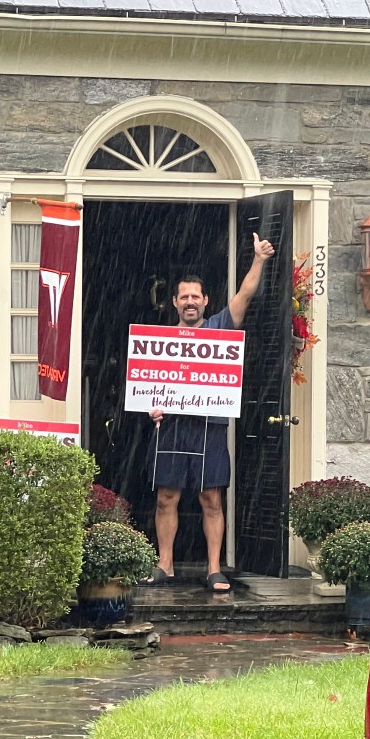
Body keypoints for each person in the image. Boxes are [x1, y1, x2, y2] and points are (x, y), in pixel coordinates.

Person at [143, 232, 275, 593]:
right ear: (175, 302)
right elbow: (148, 387)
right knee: (165, 497)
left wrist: (259, 259)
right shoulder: (160, 342)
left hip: (210, 428)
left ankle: (214, 569)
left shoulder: (221, 326)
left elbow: (244, 294)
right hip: (171, 427)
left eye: (195, 297)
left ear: (205, 301)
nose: (190, 302)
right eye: (184, 296)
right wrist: (152, 408)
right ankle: (165, 565)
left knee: (211, 499)